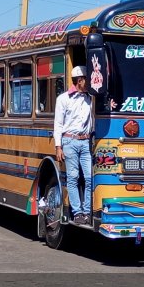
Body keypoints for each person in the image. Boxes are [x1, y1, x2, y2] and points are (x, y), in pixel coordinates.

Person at [54, 65, 93, 225]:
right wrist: (58, 146)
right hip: (69, 141)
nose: (89, 82)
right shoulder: (63, 99)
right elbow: (58, 123)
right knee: (73, 177)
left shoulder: (91, 98)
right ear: (79, 80)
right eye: (86, 79)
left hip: (86, 141)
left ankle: (88, 211)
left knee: (90, 177)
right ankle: (77, 212)